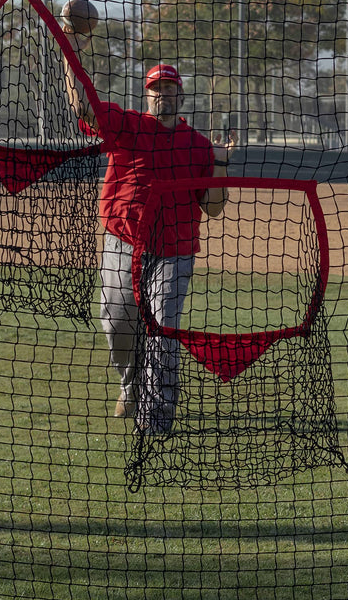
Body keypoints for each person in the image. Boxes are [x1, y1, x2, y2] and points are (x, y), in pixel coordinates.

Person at [62, 30, 235, 433]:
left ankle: (156, 416)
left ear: (180, 95)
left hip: (175, 251)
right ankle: (131, 384)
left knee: (163, 326)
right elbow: (84, 107)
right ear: (147, 96)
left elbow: (212, 208)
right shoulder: (129, 127)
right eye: (156, 89)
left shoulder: (198, 146)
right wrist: (71, 52)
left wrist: (221, 163)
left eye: (170, 88)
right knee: (117, 322)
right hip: (124, 243)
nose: (163, 95)